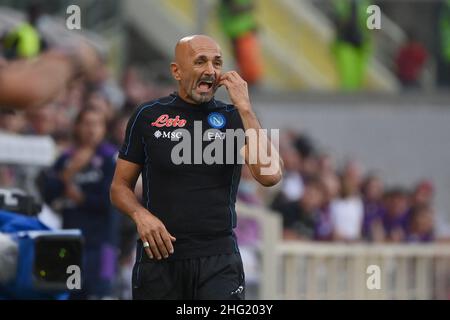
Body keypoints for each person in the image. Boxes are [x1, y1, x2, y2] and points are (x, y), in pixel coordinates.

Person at [110, 35, 282, 300]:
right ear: (177, 71)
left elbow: (270, 176)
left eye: (217, 63)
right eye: (200, 61)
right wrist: (140, 215)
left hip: (219, 261)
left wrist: (245, 108)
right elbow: (119, 187)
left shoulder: (234, 117)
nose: (210, 70)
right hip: (159, 257)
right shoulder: (148, 116)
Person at [40, 108, 119, 299]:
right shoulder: (66, 157)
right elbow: (48, 195)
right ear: (77, 127)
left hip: (103, 244)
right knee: (66, 293)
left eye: (96, 124)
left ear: (104, 128)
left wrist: (80, 198)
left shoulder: (112, 158)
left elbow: (112, 201)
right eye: (86, 123)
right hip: (69, 241)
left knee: (101, 293)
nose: (91, 129)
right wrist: (70, 171)